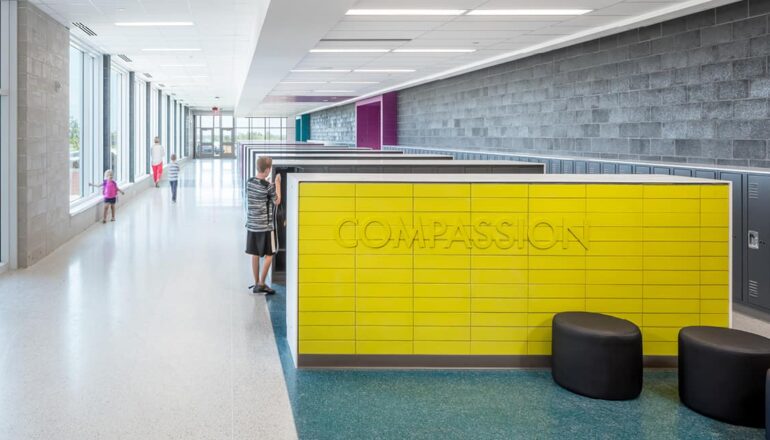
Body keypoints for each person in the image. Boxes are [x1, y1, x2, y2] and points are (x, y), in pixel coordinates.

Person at [245, 156, 281, 295]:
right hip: (265, 226)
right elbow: (277, 201)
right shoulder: (269, 187)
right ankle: (261, 283)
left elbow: (260, 190)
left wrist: (269, 184)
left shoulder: (249, 182)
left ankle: (256, 282)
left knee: (254, 254)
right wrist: (277, 183)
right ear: (267, 170)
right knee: (270, 255)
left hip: (252, 224)